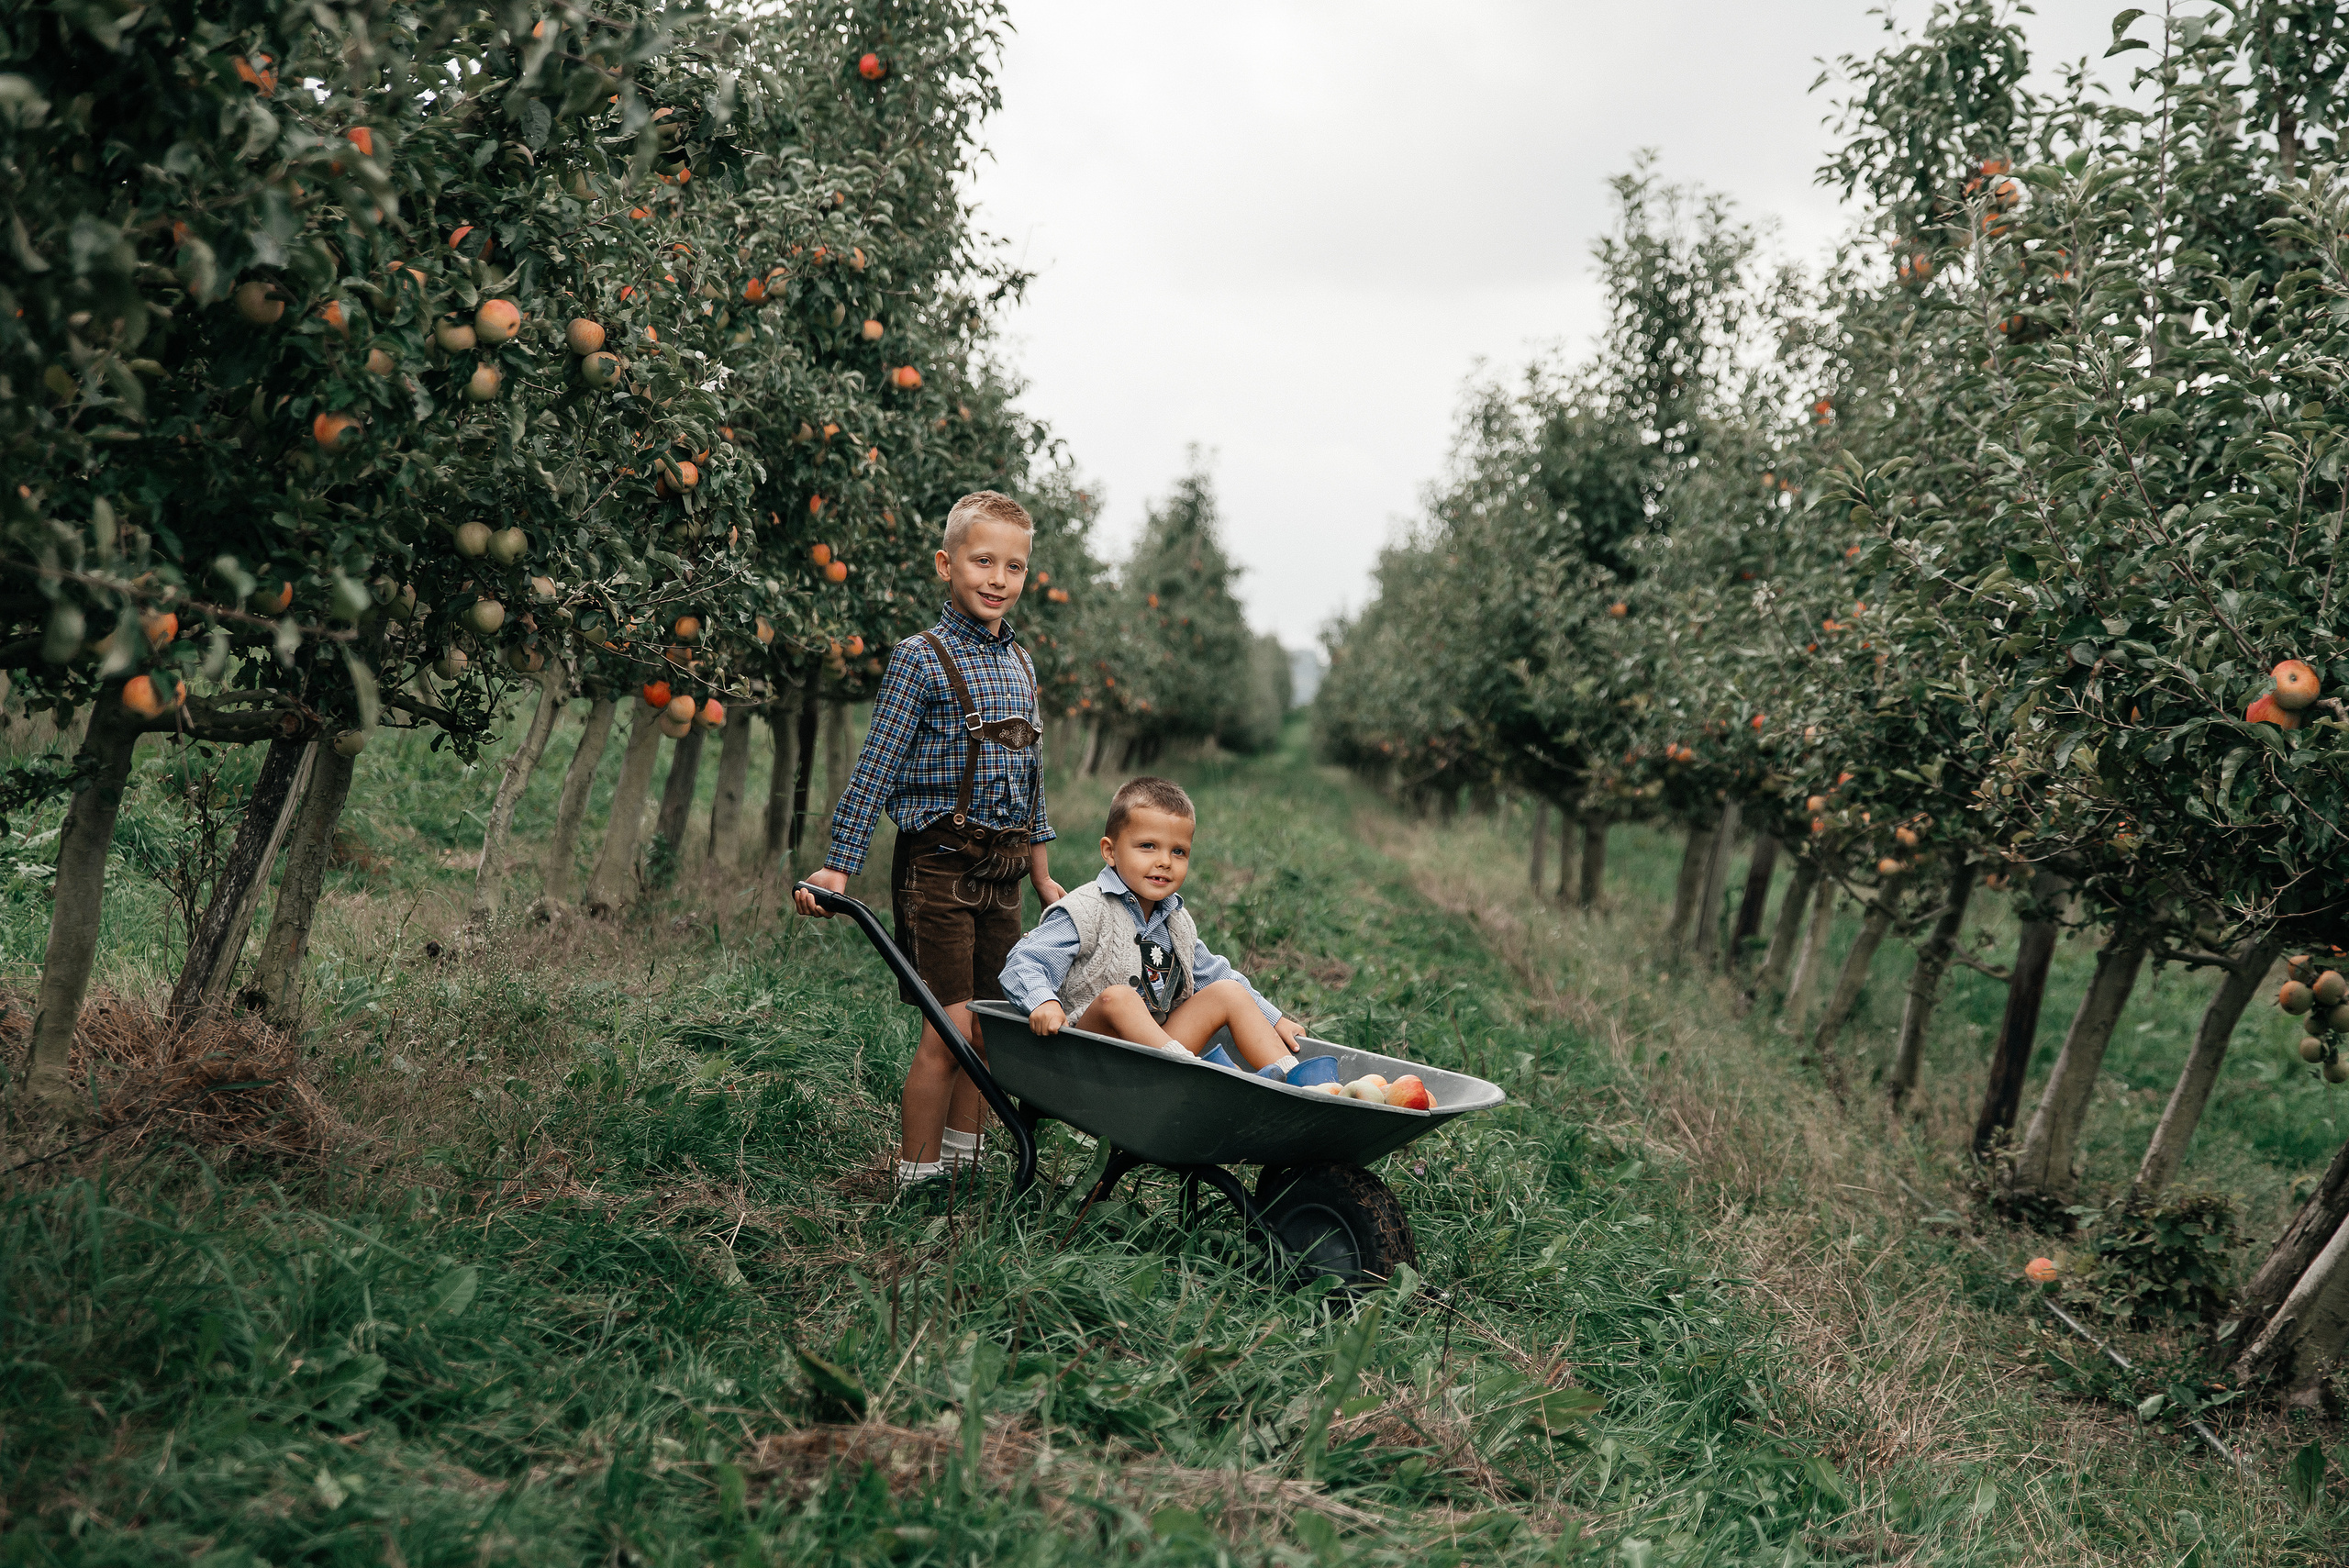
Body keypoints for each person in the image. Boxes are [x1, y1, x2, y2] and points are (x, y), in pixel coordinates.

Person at [796, 490, 1063, 1186]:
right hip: (938, 867)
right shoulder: (921, 658)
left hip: (1003, 877)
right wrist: (837, 868)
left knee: (992, 1030)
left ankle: (963, 1167)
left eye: (1014, 565)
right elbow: (876, 765)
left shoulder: (1024, 665)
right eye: (982, 561)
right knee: (949, 1031)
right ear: (947, 564)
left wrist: (1040, 872)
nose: (998, 578)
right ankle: (916, 1179)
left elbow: (1032, 778)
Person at [1000, 775, 1336, 1084]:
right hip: (1090, 1055)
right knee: (1119, 998)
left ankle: (1298, 1084)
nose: (1164, 861)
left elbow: (1217, 975)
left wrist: (1275, 1020)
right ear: (1110, 851)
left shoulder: (1176, 920)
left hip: (1158, 1052)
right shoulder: (1085, 909)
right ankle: (1196, 1073)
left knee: (1228, 991)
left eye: (1178, 852)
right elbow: (1023, 962)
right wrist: (1043, 1002)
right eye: (1148, 846)